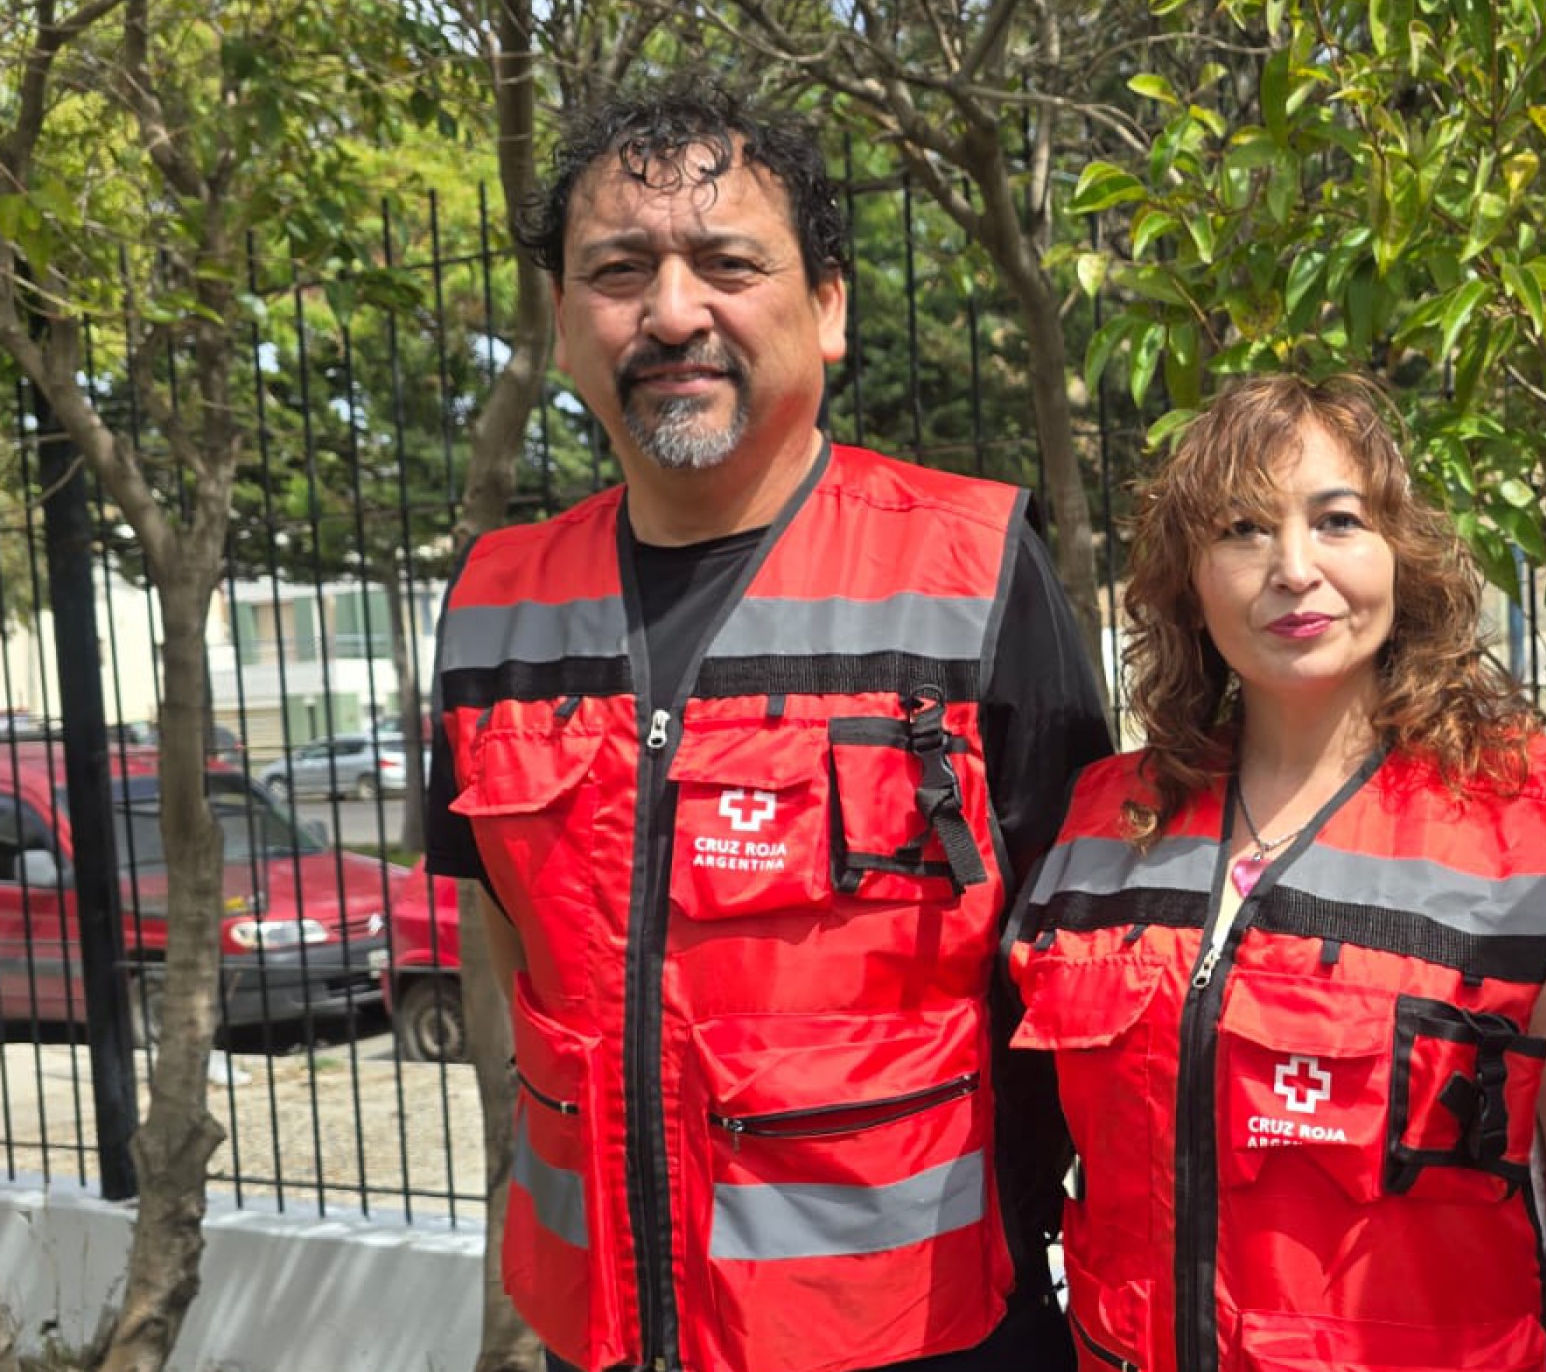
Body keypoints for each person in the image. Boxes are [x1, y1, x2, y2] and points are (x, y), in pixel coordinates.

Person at [423, 77, 1109, 1372]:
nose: (672, 312)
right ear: (564, 323)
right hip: (605, 1339)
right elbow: (498, 950)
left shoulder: (971, 579)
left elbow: (1071, 977)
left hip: (927, 1341)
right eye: (619, 271)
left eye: (726, 264)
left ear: (829, 307)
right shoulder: (492, 615)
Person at [1006, 375, 1546, 1372]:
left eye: (1337, 521)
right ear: (1188, 577)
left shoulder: (1532, 830)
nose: (1292, 568)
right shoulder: (1101, 824)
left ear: (1398, 555)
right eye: (1241, 528)